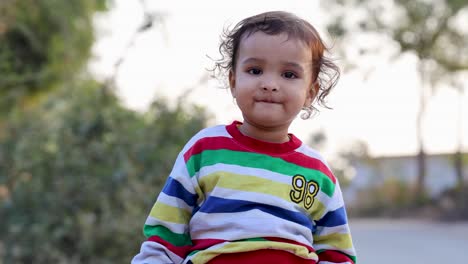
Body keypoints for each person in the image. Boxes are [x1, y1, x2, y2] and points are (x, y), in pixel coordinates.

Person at [132, 11, 357, 264]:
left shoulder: (318, 174)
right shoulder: (205, 151)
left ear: (310, 93)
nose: (270, 83)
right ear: (233, 81)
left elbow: (337, 253)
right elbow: (165, 234)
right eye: (255, 70)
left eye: (289, 75)